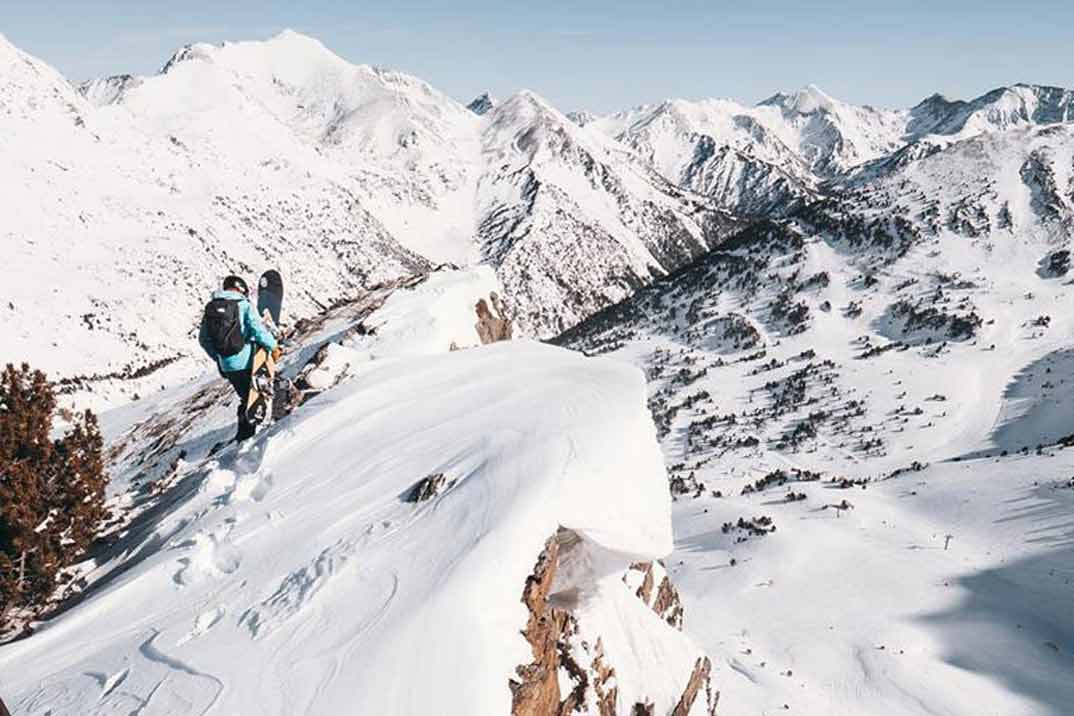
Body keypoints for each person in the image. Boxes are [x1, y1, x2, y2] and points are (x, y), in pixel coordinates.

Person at [198, 275, 281, 442]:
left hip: (228, 365)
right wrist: (273, 347)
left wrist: (220, 358)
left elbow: (204, 340)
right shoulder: (244, 305)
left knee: (246, 399)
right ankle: (251, 437)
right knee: (258, 396)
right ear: (242, 289)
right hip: (249, 361)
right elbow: (258, 330)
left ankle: (244, 436)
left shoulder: (211, 308)